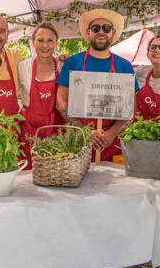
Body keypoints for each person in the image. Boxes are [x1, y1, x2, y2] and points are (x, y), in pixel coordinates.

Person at [56, 9, 138, 162]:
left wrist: (111, 134)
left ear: (112, 33)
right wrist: (85, 132)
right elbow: (61, 103)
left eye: (106, 28)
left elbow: (130, 108)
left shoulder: (125, 66)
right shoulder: (73, 62)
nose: (101, 32)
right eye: (96, 28)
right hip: (79, 141)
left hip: (113, 142)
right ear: (88, 33)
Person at [17, 22, 64, 170]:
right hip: (29, 130)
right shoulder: (22, 66)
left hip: (55, 128)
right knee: (28, 173)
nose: (45, 45)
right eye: (40, 40)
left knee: (55, 172)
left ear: (56, 43)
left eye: (50, 40)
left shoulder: (63, 66)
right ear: (33, 42)